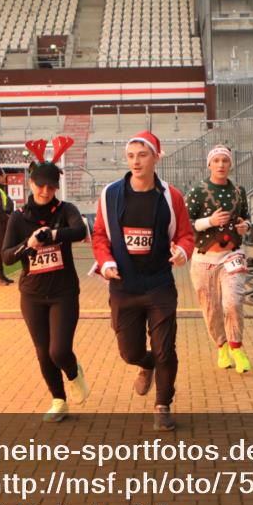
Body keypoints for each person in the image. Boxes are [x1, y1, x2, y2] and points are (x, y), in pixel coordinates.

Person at [92, 130, 194, 431]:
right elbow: (99, 235)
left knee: (165, 349)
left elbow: (185, 234)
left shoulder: (171, 196)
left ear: (156, 157)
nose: (136, 162)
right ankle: (145, 364)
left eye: (142, 155)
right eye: (131, 156)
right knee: (130, 353)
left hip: (160, 285)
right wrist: (106, 262)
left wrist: (183, 253)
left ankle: (163, 404)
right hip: (124, 286)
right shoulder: (110, 194)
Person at [2, 138, 89, 422]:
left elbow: (78, 231)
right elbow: (6, 257)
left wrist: (52, 235)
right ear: (30, 184)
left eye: (51, 186)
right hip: (32, 295)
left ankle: (74, 371)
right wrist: (28, 244)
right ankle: (58, 400)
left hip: (63, 292)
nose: (45, 191)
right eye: (40, 185)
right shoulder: (18, 217)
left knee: (59, 350)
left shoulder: (66, 210)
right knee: (43, 353)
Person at [185, 145, 252, 374]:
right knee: (211, 309)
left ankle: (237, 346)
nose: (221, 165)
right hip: (204, 258)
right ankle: (221, 345)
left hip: (232, 255)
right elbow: (186, 223)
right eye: (217, 161)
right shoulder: (198, 191)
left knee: (233, 302)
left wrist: (246, 227)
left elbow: (246, 217)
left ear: (230, 164)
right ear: (209, 164)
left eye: (225, 160)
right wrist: (209, 222)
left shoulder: (239, 191)